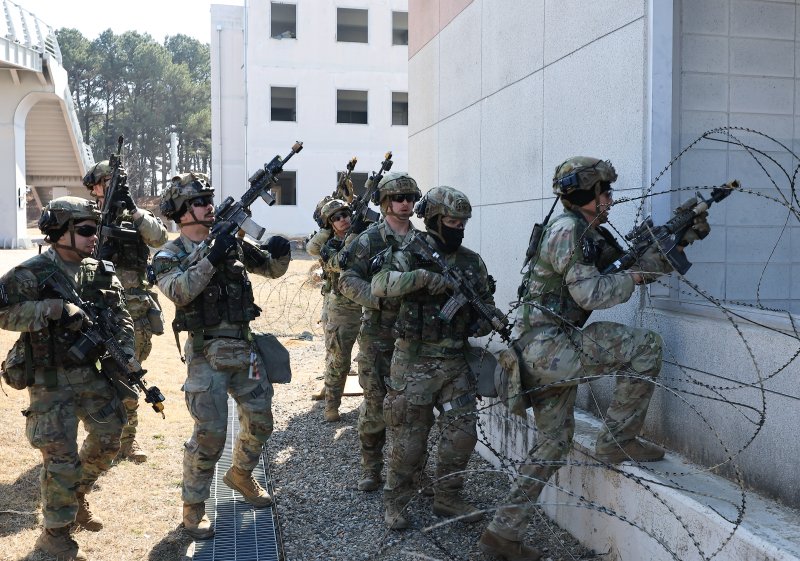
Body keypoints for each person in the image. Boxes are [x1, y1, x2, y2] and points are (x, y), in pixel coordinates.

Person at [478, 157, 709, 560]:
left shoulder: (581, 229)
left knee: (553, 442)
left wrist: (678, 242)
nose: (610, 199)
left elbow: (619, 268)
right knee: (645, 346)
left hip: (543, 347)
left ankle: (502, 532)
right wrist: (634, 277)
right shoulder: (568, 231)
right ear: (587, 194)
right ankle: (617, 441)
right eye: (605, 192)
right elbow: (591, 294)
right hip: (552, 348)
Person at [151, 172, 291, 539]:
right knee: (210, 435)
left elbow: (272, 269)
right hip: (204, 353)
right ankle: (193, 509)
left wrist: (281, 250)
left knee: (261, 422)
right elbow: (179, 292)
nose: (207, 206)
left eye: (209, 199)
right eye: (198, 201)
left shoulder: (230, 242)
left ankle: (240, 475)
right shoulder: (168, 255)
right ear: (181, 212)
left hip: (244, 349)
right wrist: (210, 256)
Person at [0, 197, 132, 561]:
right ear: (60, 231)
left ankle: (77, 494)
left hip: (90, 373)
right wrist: (51, 309)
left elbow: (120, 317)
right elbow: (4, 312)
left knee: (110, 437)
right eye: (86, 230)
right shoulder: (32, 273)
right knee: (60, 457)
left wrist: (126, 355)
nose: (94, 237)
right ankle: (56, 535)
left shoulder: (100, 271)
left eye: (96, 230)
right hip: (49, 379)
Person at [371, 186, 500, 529]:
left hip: (456, 361)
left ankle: (448, 496)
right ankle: (395, 500)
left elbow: (484, 301)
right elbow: (381, 284)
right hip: (414, 361)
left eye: (463, 222)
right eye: (452, 221)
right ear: (433, 219)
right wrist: (423, 278)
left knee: (462, 433)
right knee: (411, 437)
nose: (458, 227)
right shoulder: (410, 252)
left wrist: (487, 316)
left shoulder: (471, 261)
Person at [339, 171, 421, 491]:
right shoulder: (369, 239)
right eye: (399, 198)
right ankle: (371, 467)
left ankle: (412, 468)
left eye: (410, 198)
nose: (405, 203)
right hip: (377, 335)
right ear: (385, 202)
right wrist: (378, 297)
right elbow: (346, 280)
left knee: (412, 408)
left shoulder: (422, 242)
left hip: (413, 337)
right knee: (375, 404)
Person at [83, 160, 168, 463]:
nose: (100, 189)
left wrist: (133, 208)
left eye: (106, 182)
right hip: (96, 308)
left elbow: (159, 238)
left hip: (134, 310)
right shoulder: (87, 216)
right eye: (99, 184)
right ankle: (101, 436)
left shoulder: (136, 217)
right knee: (95, 377)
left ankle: (127, 443)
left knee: (130, 375)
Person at [305, 198, 361, 422]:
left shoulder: (361, 234)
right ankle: (332, 404)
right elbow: (334, 260)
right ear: (330, 223)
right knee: (338, 357)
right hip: (341, 306)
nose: (343, 220)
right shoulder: (328, 245)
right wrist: (334, 234)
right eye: (336, 218)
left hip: (365, 303)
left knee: (369, 357)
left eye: (345, 215)